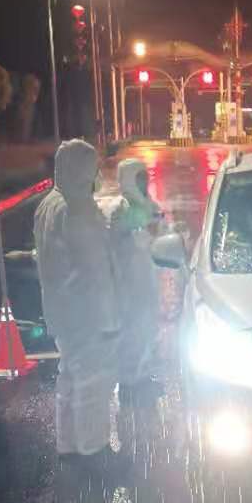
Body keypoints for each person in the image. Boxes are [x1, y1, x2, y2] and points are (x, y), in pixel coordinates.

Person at [34, 139, 122, 462]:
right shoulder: (76, 208)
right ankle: (94, 449)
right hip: (86, 314)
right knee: (92, 382)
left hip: (61, 311)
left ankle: (68, 444)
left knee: (69, 378)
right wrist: (109, 320)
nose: (95, 176)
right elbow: (95, 270)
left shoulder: (49, 204)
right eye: (91, 169)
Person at [103, 158, 163, 401]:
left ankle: (143, 376)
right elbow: (139, 235)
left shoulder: (147, 204)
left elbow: (157, 229)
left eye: (144, 178)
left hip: (146, 277)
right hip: (130, 281)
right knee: (133, 330)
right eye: (138, 179)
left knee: (147, 327)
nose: (143, 183)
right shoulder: (122, 210)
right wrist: (150, 226)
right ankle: (129, 382)